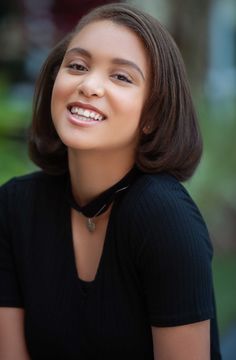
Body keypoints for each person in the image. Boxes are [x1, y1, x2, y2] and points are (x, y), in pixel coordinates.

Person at [0, 3, 222, 359]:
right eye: (77, 66)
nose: (88, 85)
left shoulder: (165, 218)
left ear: (152, 115)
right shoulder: (15, 207)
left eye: (121, 76)